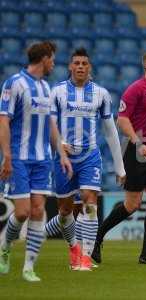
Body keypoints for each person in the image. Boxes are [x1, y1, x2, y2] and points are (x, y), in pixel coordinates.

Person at [44, 48, 126, 271]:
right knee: (64, 212)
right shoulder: (57, 92)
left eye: (84, 63)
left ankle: (85, 259)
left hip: (90, 156)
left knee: (90, 203)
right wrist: (59, 144)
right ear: (70, 66)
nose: (80, 66)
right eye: (77, 63)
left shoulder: (101, 94)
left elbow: (110, 131)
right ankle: (62, 243)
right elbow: (47, 126)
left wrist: (120, 167)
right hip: (64, 160)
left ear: (89, 67)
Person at [0, 41, 72, 281]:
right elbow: (3, 122)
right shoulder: (14, 84)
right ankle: (5, 246)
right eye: (52, 58)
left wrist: (61, 153)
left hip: (42, 160)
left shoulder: (45, 88)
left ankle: (29, 267)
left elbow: (51, 125)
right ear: (43, 58)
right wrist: (7, 156)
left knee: (38, 210)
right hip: (19, 158)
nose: (53, 63)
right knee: (21, 213)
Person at [91, 49, 146, 265]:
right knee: (132, 204)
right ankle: (98, 236)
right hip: (136, 149)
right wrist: (138, 143)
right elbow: (122, 120)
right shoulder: (135, 89)